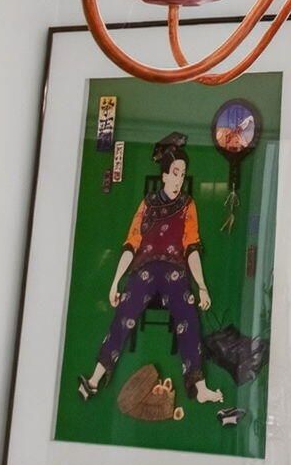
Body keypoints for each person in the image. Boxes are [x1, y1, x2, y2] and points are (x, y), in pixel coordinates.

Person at [76, 132, 223, 407]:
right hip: (144, 269)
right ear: (164, 175)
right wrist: (115, 281)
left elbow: (192, 247)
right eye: (175, 174)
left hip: (175, 271)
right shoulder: (147, 204)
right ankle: (95, 378)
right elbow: (131, 244)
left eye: (182, 175)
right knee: (124, 314)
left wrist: (202, 286)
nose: (178, 180)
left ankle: (200, 386)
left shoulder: (188, 205)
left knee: (188, 317)